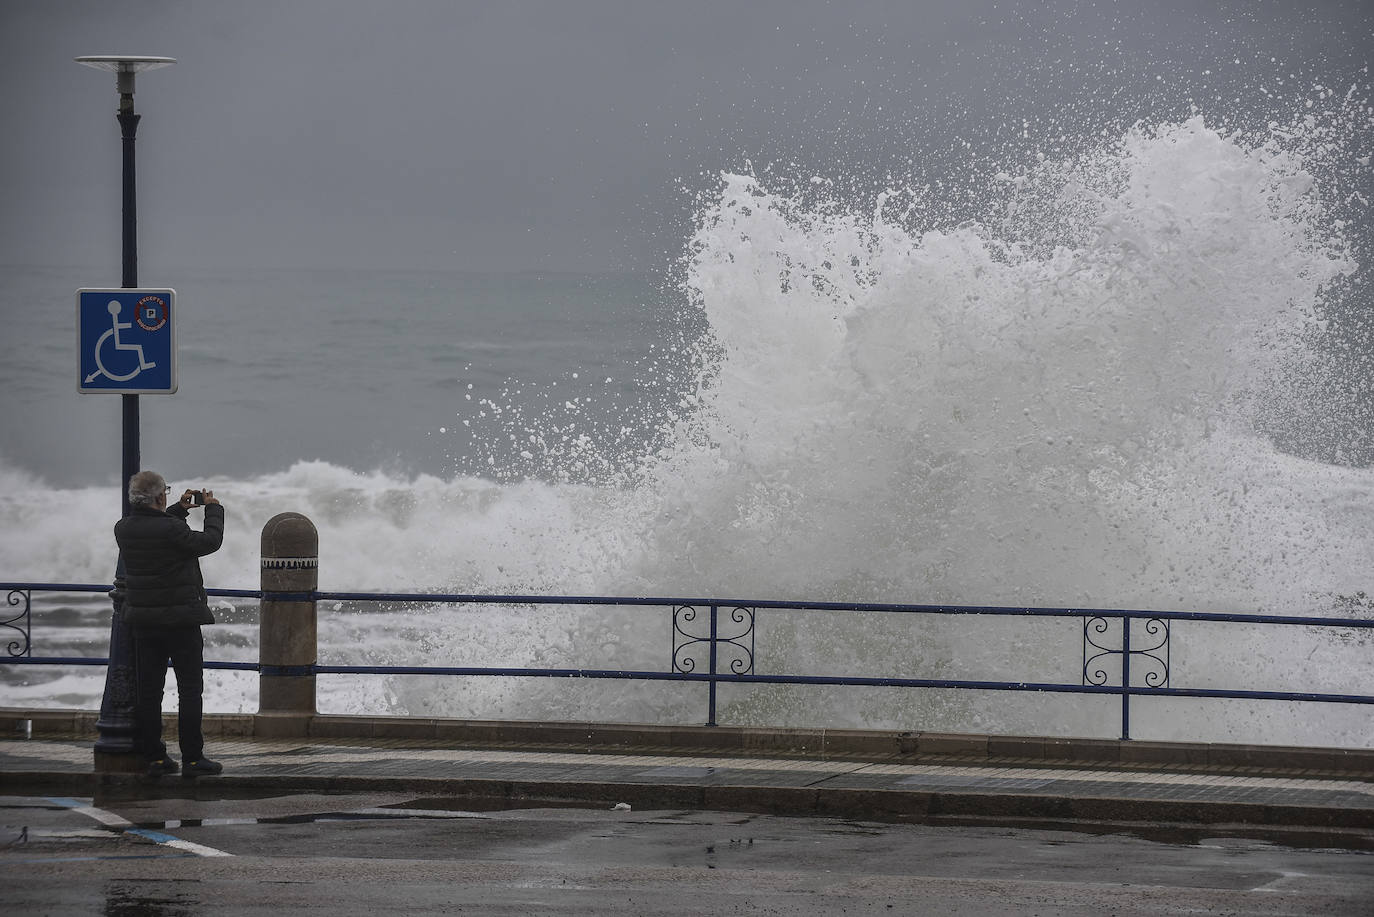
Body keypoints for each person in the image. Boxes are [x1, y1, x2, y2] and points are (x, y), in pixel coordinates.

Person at [113, 470, 225, 778]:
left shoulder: (123, 528)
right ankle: (192, 757)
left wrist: (178, 509)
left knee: (149, 692)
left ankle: (156, 758)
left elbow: (159, 528)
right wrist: (213, 509)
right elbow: (209, 541)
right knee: (190, 690)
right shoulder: (170, 531)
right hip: (180, 621)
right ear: (160, 497)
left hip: (144, 622)